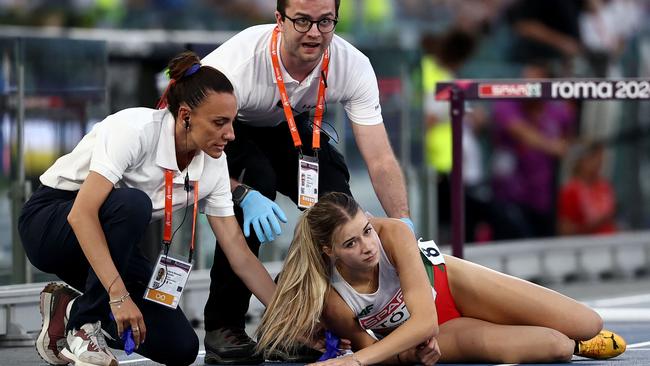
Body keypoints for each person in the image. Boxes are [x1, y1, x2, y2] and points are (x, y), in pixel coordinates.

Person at [18, 51, 277, 366]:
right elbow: (81, 214)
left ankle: (68, 307)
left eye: (232, 122)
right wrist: (118, 296)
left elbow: (239, 253)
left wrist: (293, 319)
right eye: (219, 122)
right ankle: (85, 323)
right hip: (52, 225)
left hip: (112, 247)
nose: (231, 134)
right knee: (133, 204)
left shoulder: (214, 163)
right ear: (185, 116)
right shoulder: (134, 129)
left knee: (179, 347)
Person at [199, 0, 412, 362]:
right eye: (302, 21)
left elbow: (379, 157)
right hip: (228, 130)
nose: (315, 32)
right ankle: (225, 323)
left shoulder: (352, 64)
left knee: (337, 206)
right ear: (279, 20)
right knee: (258, 183)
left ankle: (295, 318)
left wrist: (405, 226)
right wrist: (242, 192)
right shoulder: (237, 64)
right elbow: (187, 138)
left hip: (290, 128)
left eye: (325, 21)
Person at [256, 192, 627, 365]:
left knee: (587, 321)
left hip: (451, 285)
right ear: (329, 252)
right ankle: (578, 347)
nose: (367, 247)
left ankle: (570, 332)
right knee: (558, 346)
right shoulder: (335, 300)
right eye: (351, 243)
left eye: (366, 231)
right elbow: (371, 348)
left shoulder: (392, 234)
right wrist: (404, 357)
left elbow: (424, 318)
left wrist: (352, 364)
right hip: (433, 338)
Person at [558, 141, 617, 236]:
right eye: (593, 157)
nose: (599, 162)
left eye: (600, 157)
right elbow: (565, 230)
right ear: (580, 161)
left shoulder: (605, 186)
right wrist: (593, 225)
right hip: (587, 246)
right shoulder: (570, 191)